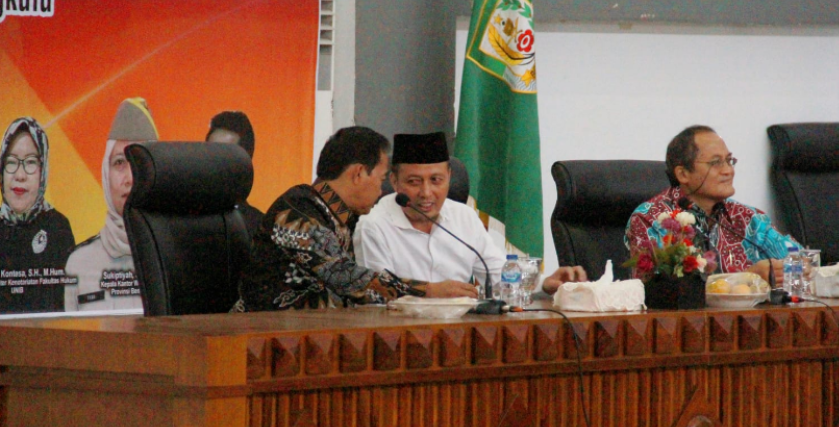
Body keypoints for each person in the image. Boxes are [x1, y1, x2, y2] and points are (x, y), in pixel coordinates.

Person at [232, 126, 475, 313]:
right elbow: (346, 277)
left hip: (311, 335)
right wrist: (428, 291)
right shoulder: (298, 212)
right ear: (358, 173)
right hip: (257, 337)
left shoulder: (344, 217)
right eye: (381, 179)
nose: (381, 191)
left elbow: (363, 294)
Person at [354, 132, 587, 295]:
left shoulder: (463, 216)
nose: (426, 193)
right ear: (394, 182)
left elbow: (499, 276)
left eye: (436, 180)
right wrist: (430, 293)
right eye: (414, 182)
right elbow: (377, 295)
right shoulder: (373, 226)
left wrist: (545, 283)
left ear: (449, 178)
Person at [625, 125, 799, 286]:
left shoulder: (748, 217)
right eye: (715, 163)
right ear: (683, 174)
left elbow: (797, 256)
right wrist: (745, 279)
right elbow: (657, 291)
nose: (728, 171)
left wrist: (799, 266)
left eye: (729, 160)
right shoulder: (651, 219)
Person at [64, 98, 158, 312]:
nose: (130, 179)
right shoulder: (79, 263)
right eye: (119, 163)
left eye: (140, 162)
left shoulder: (176, 256)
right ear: (106, 174)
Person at [0, 118, 75, 313]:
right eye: (11, 162)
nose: (20, 175)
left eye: (30, 162)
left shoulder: (58, 227)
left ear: (43, 172)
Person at [205, 111, 264, 237]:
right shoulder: (182, 217)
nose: (214, 161)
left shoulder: (260, 228)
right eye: (209, 151)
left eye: (224, 154)